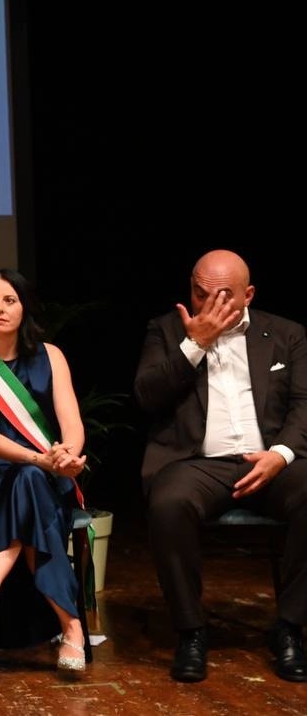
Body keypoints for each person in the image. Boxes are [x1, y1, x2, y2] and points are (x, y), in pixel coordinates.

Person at [134, 248, 306, 684]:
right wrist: (195, 345)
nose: (209, 304)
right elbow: (147, 396)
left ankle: (289, 627)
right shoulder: (166, 330)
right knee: (168, 504)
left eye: (224, 295)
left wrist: (280, 454)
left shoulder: (286, 334)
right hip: (197, 464)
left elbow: (304, 404)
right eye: (200, 293)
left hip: (270, 459)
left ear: (248, 295)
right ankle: (191, 632)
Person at [0, 269, 88, 674]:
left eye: (9, 300)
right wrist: (40, 460)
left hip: (45, 473)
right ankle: (72, 628)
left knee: (29, 482)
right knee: (28, 481)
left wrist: (67, 456)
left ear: (24, 308)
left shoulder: (51, 356)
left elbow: (72, 424)